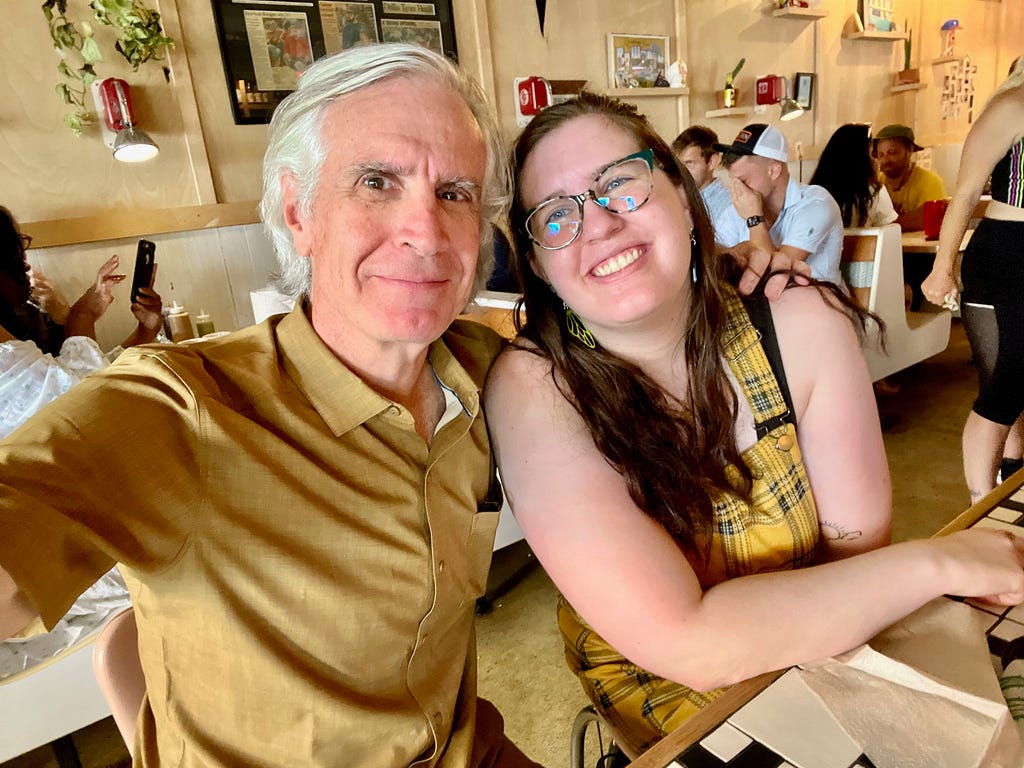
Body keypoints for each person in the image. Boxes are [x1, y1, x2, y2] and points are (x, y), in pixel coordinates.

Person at [0, 44, 541, 768]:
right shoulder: (179, 408)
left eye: (455, 193)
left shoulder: (487, 374)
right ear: (297, 211)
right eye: (377, 181)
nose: (427, 232)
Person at [485, 91, 1024, 752]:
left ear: (684, 196)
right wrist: (943, 562)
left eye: (620, 185)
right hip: (671, 707)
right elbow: (686, 642)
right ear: (537, 261)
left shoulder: (795, 318)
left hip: (828, 651)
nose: (595, 224)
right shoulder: (535, 387)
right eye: (554, 216)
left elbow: (856, 550)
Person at [922, 56, 1024, 503]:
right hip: (1007, 252)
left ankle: (1013, 477)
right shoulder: (1012, 107)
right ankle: (981, 504)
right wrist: (942, 269)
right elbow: (964, 195)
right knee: (1007, 383)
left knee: (1017, 384)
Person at [0, 206, 163, 356]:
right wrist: (81, 315)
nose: (26, 264)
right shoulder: (7, 348)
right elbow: (83, 384)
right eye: (15, 251)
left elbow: (94, 374)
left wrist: (146, 331)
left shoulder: (33, 307)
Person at [712, 123, 845, 286]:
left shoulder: (817, 204)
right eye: (733, 182)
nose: (737, 190)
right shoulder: (737, 210)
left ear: (773, 170)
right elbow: (714, 260)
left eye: (743, 181)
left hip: (819, 304)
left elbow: (774, 278)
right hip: (768, 308)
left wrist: (754, 218)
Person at [810, 123, 898, 228]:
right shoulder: (874, 192)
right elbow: (890, 232)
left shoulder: (813, 193)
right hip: (858, 244)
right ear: (863, 159)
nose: (876, 160)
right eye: (873, 154)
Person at [873, 124, 946, 232]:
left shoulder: (930, 182)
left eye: (891, 153)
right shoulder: (876, 184)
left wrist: (887, 223)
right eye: (881, 155)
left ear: (909, 150)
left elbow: (928, 219)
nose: (885, 160)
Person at [671, 125, 732, 225]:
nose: (682, 172)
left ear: (712, 161)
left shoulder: (729, 206)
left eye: (689, 163)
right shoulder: (676, 199)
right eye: (678, 165)